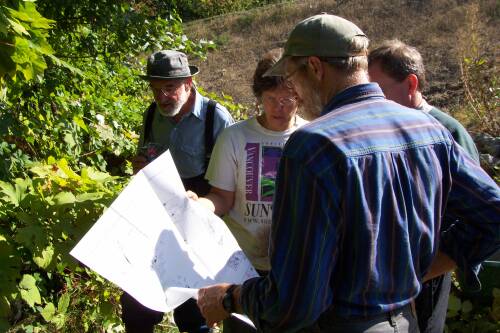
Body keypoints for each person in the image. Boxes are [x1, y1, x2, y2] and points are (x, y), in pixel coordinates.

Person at [196, 14, 500, 333]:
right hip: (407, 322)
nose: (294, 93)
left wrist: (231, 298)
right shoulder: (427, 128)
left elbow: (292, 305)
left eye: (292, 78)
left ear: (314, 67)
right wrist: (423, 268)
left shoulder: (314, 146)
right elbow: (493, 215)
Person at [189, 49, 307, 333]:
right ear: (259, 96)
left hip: (294, 267)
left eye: (287, 100)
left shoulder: (311, 137)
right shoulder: (235, 137)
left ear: (301, 97)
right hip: (242, 266)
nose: (279, 107)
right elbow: (222, 198)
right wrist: (198, 205)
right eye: (270, 100)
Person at [368, 39, 480, 333]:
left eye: (378, 89)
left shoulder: (447, 130)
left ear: (411, 84)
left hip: (427, 270)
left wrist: (429, 270)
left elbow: (474, 213)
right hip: (387, 270)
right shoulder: (382, 129)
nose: (371, 99)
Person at [121, 50, 234, 333]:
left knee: (193, 316)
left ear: (188, 83)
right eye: (156, 89)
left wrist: (203, 204)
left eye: (169, 88)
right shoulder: (151, 116)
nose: (161, 97)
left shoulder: (215, 118)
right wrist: (141, 167)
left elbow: (231, 183)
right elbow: (145, 159)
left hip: (200, 224)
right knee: (136, 306)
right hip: (158, 222)